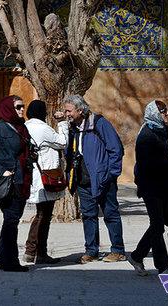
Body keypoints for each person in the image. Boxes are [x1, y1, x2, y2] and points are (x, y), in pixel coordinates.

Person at [63, 95, 126, 264]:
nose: (66, 113)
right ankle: (91, 251)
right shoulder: (73, 128)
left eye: (69, 110)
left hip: (103, 180)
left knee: (110, 214)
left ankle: (118, 250)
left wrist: (110, 174)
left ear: (80, 110)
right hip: (83, 181)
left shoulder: (99, 123)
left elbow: (116, 149)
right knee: (88, 216)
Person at [128, 100, 168, 276]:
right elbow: (146, 164)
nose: (166, 114)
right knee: (158, 225)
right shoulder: (146, 136)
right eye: (163, 112)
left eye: (166, 111)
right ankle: (162, 266)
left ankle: (137, 256)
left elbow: (162, 155)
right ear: (154, 113)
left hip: (164, 184)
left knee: (159, 224)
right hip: (150, 186)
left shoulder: (162, 130)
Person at [0, 95, 32, 272]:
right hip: (9, 181)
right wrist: (1, 171)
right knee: (11, 220)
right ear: (8, 108)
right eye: (18, 107)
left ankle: (2, 258)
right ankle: (11, 261)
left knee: (11, 220)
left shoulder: (21, 127)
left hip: (22, 180)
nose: (21, 110)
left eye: (22, 106)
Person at [22, 100, 69, 264]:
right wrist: (62, 124)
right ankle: (33, 251)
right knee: (43, 214)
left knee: (43, 213)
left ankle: (38, 251)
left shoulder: (26, 126)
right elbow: (62, 142)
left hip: (32, 175)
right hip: (44, 177)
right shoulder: (42, 128)